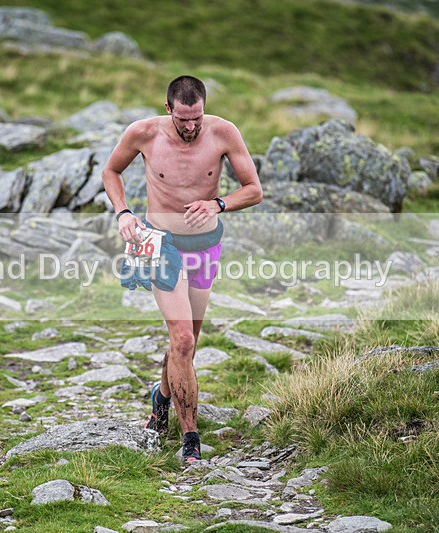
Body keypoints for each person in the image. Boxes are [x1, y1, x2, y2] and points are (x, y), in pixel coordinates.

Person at [102, 75, 263, 462]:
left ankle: (160, 399)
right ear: (168, 108)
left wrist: (218, 204)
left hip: (205, 245)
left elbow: (254, 190)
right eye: (183, 119)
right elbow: (111, 172)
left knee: (187, 342)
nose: (191, 127)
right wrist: (123, 213)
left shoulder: (224, 133)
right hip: (160, 245)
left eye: (197, 119)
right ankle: (189, 438)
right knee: (183, 342)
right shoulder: (142, 134)